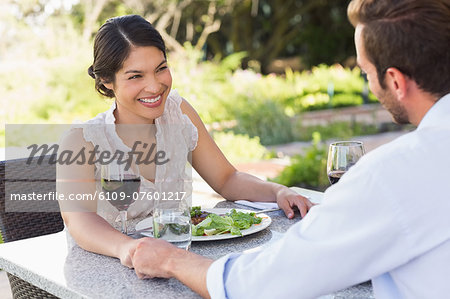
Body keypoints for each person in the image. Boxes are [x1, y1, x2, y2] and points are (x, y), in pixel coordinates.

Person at [130, 0, 450, 298]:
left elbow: (257, 286)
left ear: (394, 81)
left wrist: (172, 261)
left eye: (365, 72)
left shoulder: (395, 175)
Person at [56, 15, 313, 268]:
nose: (154, 86)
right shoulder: (83, 141)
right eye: (136, 76)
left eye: (161, 69)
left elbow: (226, 179)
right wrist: (128, 248)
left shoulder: (178, 114)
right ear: (106, 80)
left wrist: (278, 192)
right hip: (104, 272)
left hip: (176, 263)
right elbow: (79, 219)